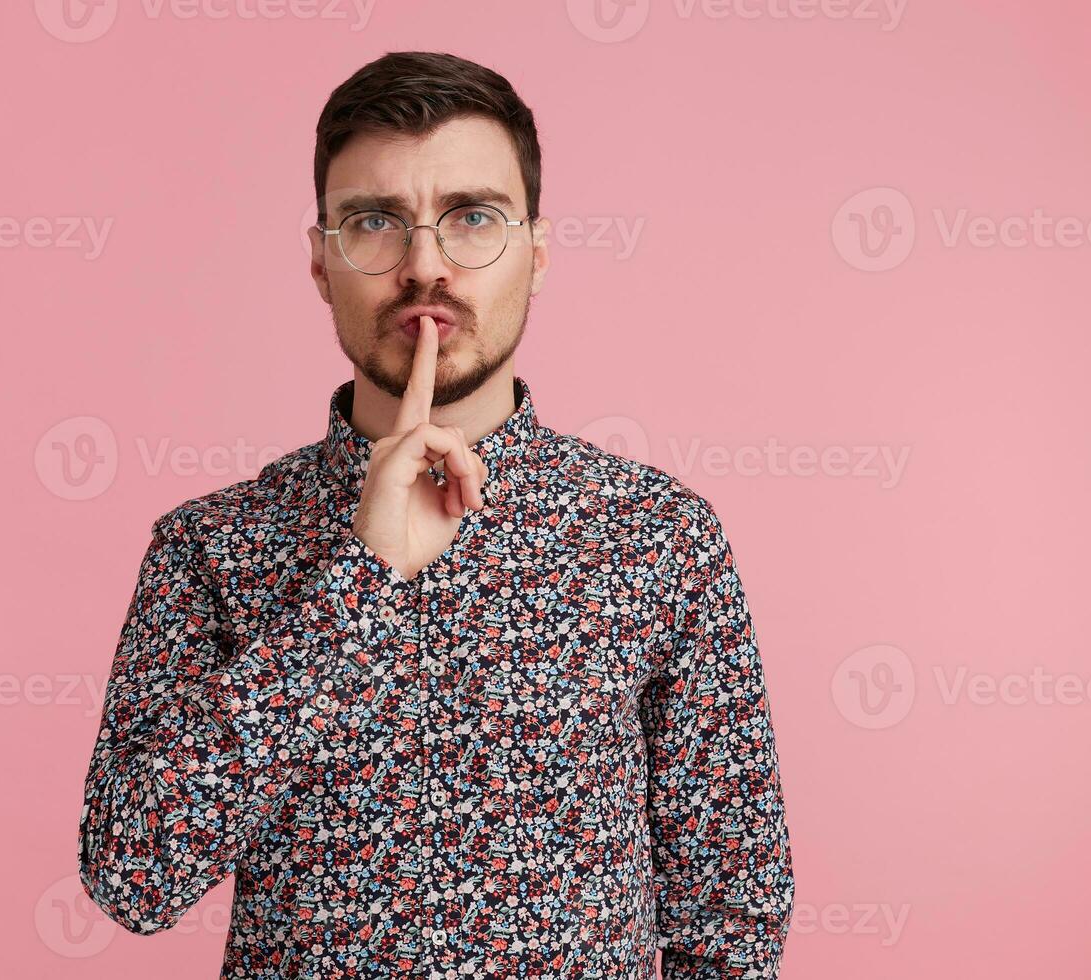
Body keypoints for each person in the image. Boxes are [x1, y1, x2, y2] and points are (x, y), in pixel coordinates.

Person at [78, 50, 795, 979]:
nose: (425, 268)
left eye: (472, 219)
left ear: (536, 254)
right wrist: (356, 587)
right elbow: (133, 875)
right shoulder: (211, 546)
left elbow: (730, 905)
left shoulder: (656, 535)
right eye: (374, 222)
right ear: (320, 263)